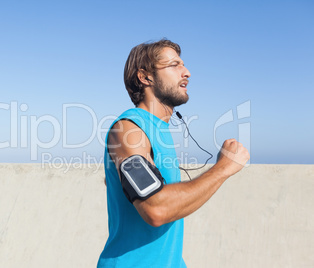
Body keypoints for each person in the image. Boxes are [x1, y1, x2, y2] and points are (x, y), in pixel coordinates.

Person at [97, 39, 250, 267]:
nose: (186, 72)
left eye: (183, 65)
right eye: (174, 65)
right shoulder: (130, 129)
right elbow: (155, 207)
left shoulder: (159, 131)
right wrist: (223, 168)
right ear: (145, 77)